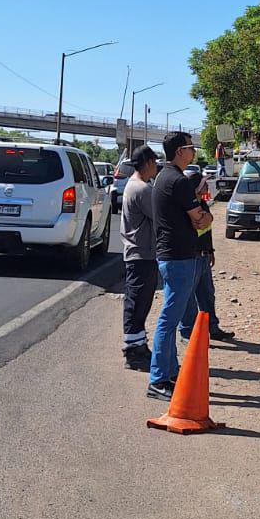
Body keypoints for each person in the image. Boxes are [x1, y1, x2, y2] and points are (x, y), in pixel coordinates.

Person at [146, 130, 212, 397]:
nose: (193, 151)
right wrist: (207, 215)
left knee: (174, 317)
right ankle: (159, 379)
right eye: (190, 147)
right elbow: (200, 219)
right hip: (179, 258)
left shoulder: (163, 177)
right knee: (168, 319)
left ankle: (170, 374)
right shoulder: (179, 181)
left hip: (175, 256)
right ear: (179, 152)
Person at [181, 166, 235, 343]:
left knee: (207, 294)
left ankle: (212, 328)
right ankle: (188, 332)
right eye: (204, 184)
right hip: (192, 257)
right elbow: (199, 225)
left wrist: (210, 251)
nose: (207, 187)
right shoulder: (189, 207)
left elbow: (206, 229)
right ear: (196, 188)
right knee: (189, 297)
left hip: (203, 256)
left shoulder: (202, 204)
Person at [120, 144, 159, 369]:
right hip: (141, 254)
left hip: (140, 253)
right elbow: (161, 216)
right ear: (147, 163)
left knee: (140, 303)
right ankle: (133, 352)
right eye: (154, 162)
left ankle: (138, 346)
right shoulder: (142, 189)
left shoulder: (134, 186)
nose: (155, 166)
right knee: (137, 304)